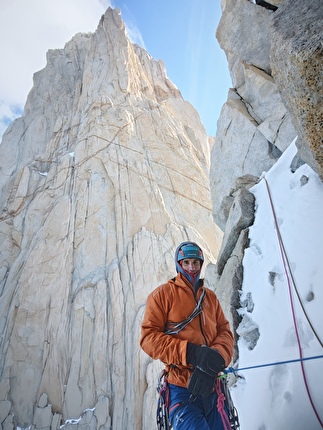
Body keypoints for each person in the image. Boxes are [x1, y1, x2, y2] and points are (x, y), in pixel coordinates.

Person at [140, 241, 234, 430]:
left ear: (201, 264)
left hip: (213, 387)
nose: (191, 268)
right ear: (178, 264)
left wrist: (214, 357)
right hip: (182, 389)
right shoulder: (162, 296)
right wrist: (191, 353)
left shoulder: (210, 298)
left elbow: (224, 332)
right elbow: (149, 338)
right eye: (186, 263)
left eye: (196, 263)